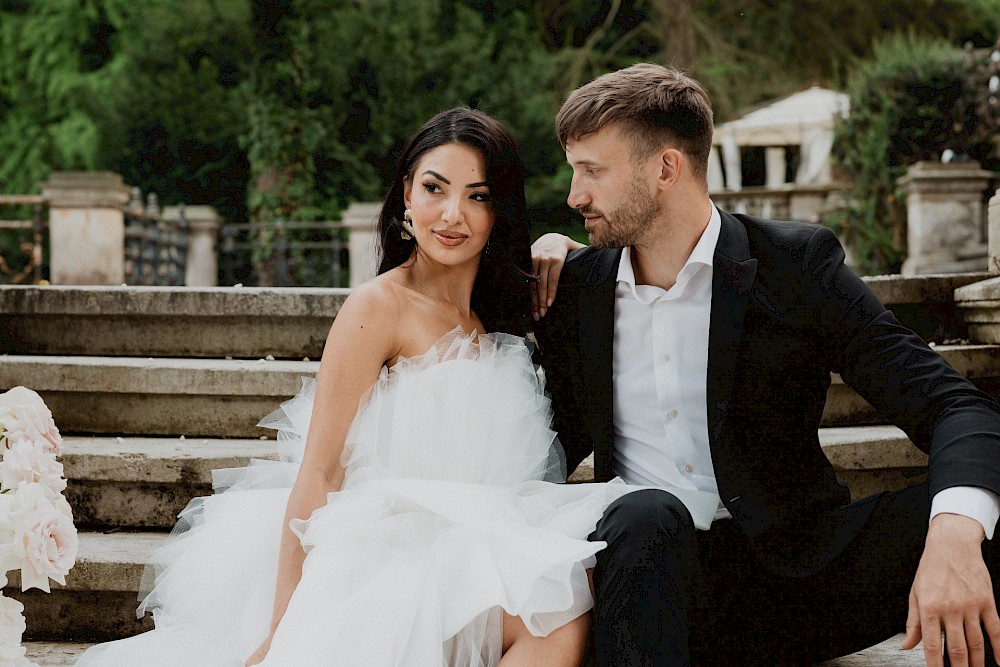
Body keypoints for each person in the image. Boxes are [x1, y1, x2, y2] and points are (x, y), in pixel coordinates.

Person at [74, 108, 654, 667]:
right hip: (389, 550)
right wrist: (283, 626)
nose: (452, 214)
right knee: (553, 612)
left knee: (568, 603)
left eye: (477, 196)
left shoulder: (504, 312)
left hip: (483, 542)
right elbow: (321, 470)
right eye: (435, 188)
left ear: (499, 209)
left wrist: (558, 243)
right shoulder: (378, 306)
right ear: (406, 194)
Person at [530, 63, 1000, 667]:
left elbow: (953, 406)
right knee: (646, 513)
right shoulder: (574, 291)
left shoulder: (794, 265)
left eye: (592, 171)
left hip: (797, 578)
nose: (574, 196)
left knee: (974, 507)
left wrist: (956, 535)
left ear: (665, 169)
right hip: (647, 582)